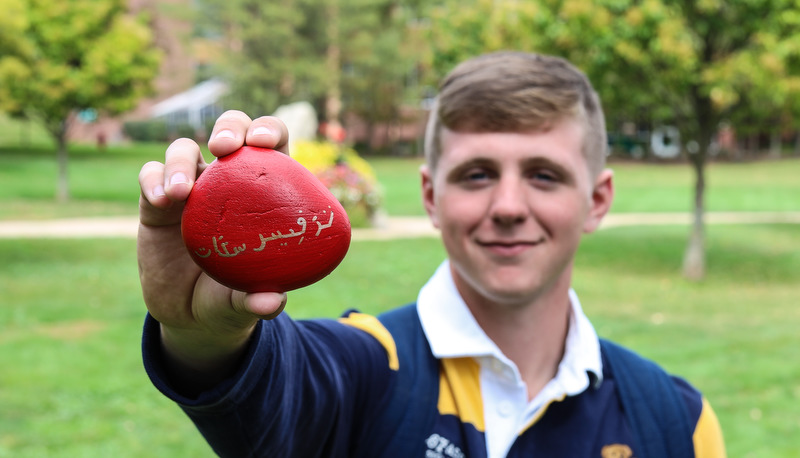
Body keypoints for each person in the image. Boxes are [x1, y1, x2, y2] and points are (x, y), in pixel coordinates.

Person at [138, 51, 726, 457]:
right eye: (476, 174)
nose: (508, 205)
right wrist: (203, 336)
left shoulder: (675, 421)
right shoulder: (364, 371)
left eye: (544, 175)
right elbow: (273, 394)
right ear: (429, 196)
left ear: (597, 200)